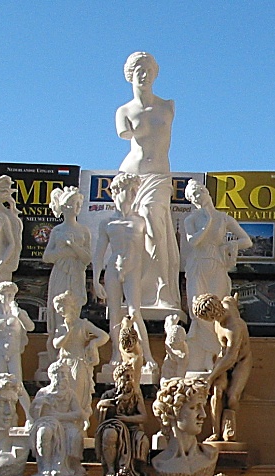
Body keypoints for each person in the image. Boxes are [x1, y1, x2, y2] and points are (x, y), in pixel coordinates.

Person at [116, 51, 180, 308]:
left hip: (159, 176)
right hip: (132, 176)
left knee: (155, 227)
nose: (144, 75)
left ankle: (161, 291)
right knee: (134, 234)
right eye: (139, 71)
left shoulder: (167, 106)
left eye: (149, 71)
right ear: (130, 76)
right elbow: (124, 134)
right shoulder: (124, 111)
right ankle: (136, 293)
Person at [184, 179, 252, 371]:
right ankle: (202, 356)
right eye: (193, 196)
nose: (198, 197)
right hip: (198, 266)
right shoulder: (191, 220)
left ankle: (217, 355)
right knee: (198, 309)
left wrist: (230, 245)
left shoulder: (224, 218)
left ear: (206, 192)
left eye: (199, 192)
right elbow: (193, 241)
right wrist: (206, 224)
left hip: (217, 265)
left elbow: (247, 241)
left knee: (218, 308)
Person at [92, 172, 156, 371]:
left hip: (134, 269)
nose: (133, 195)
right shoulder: (107, 223)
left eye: (135, 191)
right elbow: (99, 253)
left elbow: (155, 245)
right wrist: (95, 280)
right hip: (113, 268)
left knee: (134, 312)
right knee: (114, 313)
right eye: (130, 191)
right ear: (117, 192)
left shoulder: (140, 220)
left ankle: (147, 356)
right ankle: (116, 353)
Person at [192, 293, 252, 442]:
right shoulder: (227, 304)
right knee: (217, 391)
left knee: (232, 398)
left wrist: (211, 377)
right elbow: (231, 299)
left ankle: (229, 421)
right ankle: (216, 432)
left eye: (207, 318)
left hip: (241, 360)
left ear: (211, 314)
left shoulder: (233, 328)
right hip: (223, 356)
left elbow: (232, 358)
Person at [42, 186, 92, 363]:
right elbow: (47, 257)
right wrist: (64, 251)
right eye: (73, 204)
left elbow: (87, 258)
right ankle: (56, 356)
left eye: (79, 204)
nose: (77, 207)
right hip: (60, 274)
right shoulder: (57, 231)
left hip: (77, 274)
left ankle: (72, 352)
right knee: (58, 312)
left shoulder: (84, 231)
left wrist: (72, 245)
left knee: (74, 312)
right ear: (65, 207)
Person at [52, 290, 109, 426]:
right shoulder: (61, 327)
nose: (60, 311)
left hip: (78, 362)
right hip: (64, 364)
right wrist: (67, 332)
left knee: (77, 393)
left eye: (61, 307)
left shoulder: (83, 324)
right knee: (63, 393)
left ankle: (77, 423)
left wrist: (93, 343)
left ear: (70, 306)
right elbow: (56, 344)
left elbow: (104, 336)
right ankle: (65, 422)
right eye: (58, 309)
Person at [151, 377, 218, 476]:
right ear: (171, 412)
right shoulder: (159, 463)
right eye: (193, 407)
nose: (203, 415)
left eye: (202, 407)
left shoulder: (210, 456)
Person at [29, 361, 85, 476]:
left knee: (75, 435)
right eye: (59, 374)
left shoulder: (70, 394)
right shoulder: (43, 393)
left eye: (64, 374)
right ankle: (45, 466)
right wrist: (39, 404)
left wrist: (59, 415)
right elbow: (33, 413)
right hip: (47, 422)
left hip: (65, 422)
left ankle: (72, 465)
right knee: (44, 433)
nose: (62, 377)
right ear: (52, 376)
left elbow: (78, 413)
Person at [95, 363, 150, 476]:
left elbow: (144, 417)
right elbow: (97, 415)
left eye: (131, 376)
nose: (129, 379)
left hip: (131, 427)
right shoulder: (108, 395)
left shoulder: (136, 396)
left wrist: (127, 419)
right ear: (118, 378)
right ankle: (111, 469)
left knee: (142, 440)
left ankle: (136, 469)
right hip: (112, 425)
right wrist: (102, 404)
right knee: (109, 434)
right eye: (126, 376)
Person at [0, 282, 34, 419]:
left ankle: (30, 417)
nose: (8, 298)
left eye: (11, 295)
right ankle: (2, 417)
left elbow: (30, 327)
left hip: (14, 352)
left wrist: (18, 313)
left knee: (18, 385)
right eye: (5, 295)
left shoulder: (18, 314)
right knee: (0, 385)